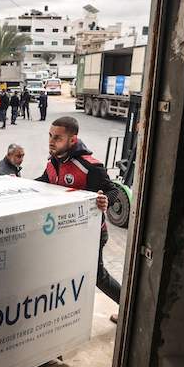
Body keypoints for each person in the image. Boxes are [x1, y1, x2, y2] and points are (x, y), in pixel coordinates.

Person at [36, 116, 121, 322]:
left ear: (72, 140)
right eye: (50, 136)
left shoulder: (89, 166)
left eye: (57, 138)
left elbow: (113, 190)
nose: (51, 141)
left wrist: (105, 200)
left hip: (91, 235)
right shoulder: (52, 162)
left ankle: (129, 307)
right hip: (65, 233)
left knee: (98, 277)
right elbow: (44, 182)